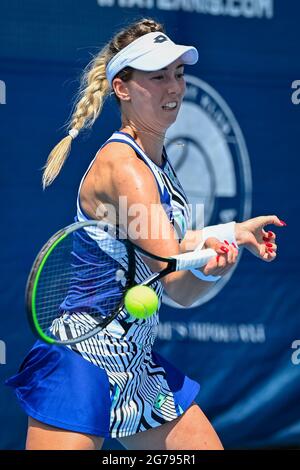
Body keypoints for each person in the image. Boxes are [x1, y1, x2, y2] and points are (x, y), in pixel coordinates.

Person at [6, 18, 285, 450]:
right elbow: (175, 281)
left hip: (135, 361)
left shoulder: (156, 160)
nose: (173, 88)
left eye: (178, 74)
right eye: (157, 78)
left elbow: (157, 242)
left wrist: (231, 233)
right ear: (122, 88)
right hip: (83, 359)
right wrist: (209, 270)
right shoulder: (128, 169)